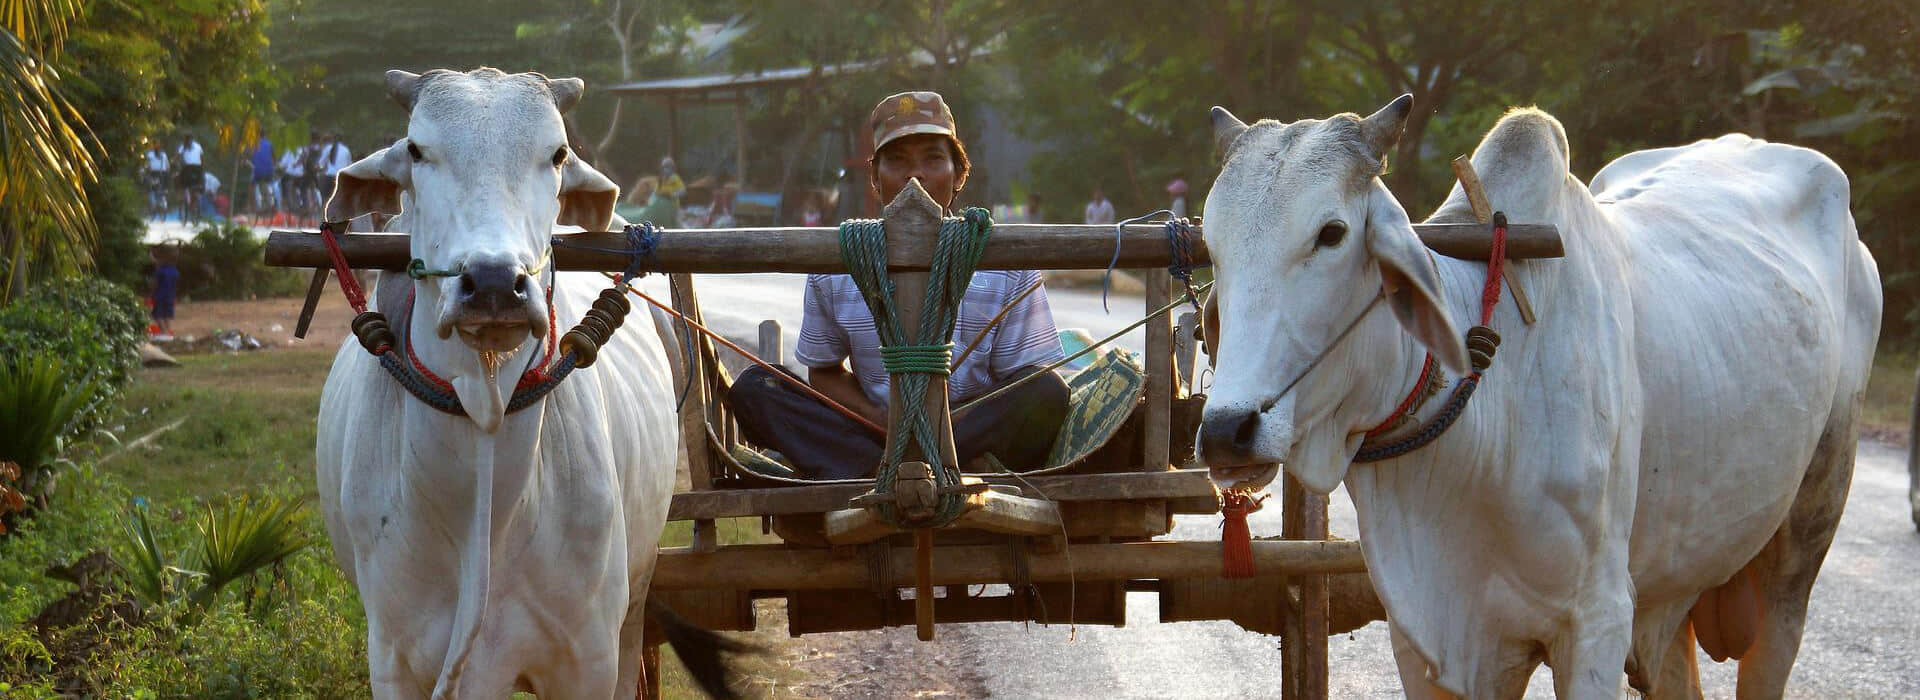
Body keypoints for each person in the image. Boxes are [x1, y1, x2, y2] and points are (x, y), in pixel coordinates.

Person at [727, 90, 1070, 480]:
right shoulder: (838, 262)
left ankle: (904, 468)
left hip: (967, 430)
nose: (915, 174)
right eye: (897, 161)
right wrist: (882, 420)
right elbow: (824, 373)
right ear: (875, 178)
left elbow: (1024, 377)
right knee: (757, 388)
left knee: (1047, 390)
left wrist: (940, 429)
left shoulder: (1004, 261)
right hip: (874, 432)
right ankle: (888, 470)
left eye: (933, 159)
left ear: (959, 174)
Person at [149, 245, 180, 341]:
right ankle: (168, 333)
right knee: (167, 315)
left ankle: (163, 333)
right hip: (170, 296)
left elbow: (155, 284)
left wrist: (151, 293)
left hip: (159, 296)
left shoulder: (159, 271)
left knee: (157, 315)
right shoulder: (175, 271)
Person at [318, 132, 353, 204]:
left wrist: (321, 168)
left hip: (329, 176)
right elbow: (350, 165)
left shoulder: (329, 148)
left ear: (333, 140)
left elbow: (320, 163)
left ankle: (323, 209)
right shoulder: (346, 150)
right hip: (341, 177)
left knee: (325, 196)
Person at [176, 134, 205, 222]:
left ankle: (194, 201)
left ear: (192, 140)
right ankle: (185, 198)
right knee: (183, 184)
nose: (188, 142)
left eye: (189, 140)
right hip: (188, 168)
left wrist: (202, 168)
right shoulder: (182, 147)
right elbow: (177, 157)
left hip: (195, 168)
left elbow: (202, 158)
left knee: (197, 185)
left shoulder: (197, 146)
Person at [142, 141, 170, 215]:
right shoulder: (164, 154)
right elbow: (167, 166)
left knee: (150, 187)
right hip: (163, 173)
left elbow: (147, 165)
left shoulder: (150, 155)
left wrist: (144, 170)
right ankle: (163, 201)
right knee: (162, 188)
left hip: (154, 174)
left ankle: (154, 204)